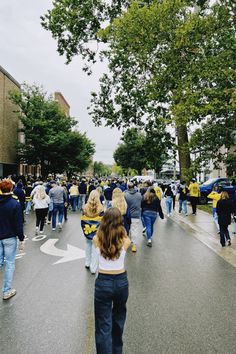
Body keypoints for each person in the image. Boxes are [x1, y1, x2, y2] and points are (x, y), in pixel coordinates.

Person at [93, 207, 131, 354]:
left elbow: (100, 238)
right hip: (121, 281)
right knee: (118, 320)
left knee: (103, 324)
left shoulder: (97, 238)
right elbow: (124, 237)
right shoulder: (125, 240)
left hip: (103, 281)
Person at [0, 179, 25, 300]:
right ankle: (6, 291)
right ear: (11, 189)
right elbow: (18, 224)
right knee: (9, 264)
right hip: (9, 237)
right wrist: (21, 239)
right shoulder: (15, 204)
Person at [81, 190, 104, 274]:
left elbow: (82, 219)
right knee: (95, 248)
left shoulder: (85, 207)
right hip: (96, 231)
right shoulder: (101, 208)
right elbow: (102, 221)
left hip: (87, 230)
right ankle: (93, 268)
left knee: (87, 245)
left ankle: (87, 262)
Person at [124, 182, 142, 252]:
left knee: (126, 229)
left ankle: (126, 243)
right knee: (134, 230)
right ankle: (134, 245)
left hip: (127, 215)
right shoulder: (139, 195)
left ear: (128, 187)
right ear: (134, 187)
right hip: (136, 215)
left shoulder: (125, 195)